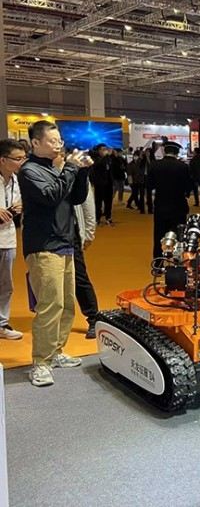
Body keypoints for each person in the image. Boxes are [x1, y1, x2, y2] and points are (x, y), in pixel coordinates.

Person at [19, 120, 92, 386]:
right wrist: (70, 168)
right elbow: (51, 196)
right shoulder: (29, 171)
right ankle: (41, 362)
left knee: (67, 304)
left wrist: (81, 172)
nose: (58, 144)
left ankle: (56, 351)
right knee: (50, 306)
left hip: (65, 242)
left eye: (59, 139)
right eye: (52, 141)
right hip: (44, 246)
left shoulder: (54, 168)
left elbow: (75, 198)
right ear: (35, 143)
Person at [148, 141, 191, 260]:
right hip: (178, 205)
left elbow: (149, 185)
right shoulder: (183, 166)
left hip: (161, 205)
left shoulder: (154, 165)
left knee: (159, 234)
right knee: (179, 234)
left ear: (164, 151)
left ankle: (158, 260)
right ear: (177, 152)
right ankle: (178, 259)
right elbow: (188, 186)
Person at [0, 140, 25, 341]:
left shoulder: (17, 180)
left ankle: (1, 323)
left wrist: (19, 207)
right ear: (3, 160)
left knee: (6, 285)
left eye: (23, 158)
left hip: (8, 238)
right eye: (17, 159)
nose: (22, 162)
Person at [73, 182, 99, 339]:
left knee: (79, 277)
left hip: (71, 233)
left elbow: (87, 204)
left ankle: (93, 318)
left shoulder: (77, 175)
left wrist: (89, 232)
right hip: (45, 235)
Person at [90, 143, 113, 226]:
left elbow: (110, 167)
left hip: (108, 183)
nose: (105, 151)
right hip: (99, 183)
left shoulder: (108, 158)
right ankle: (97, 218)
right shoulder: (96, 158)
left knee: (108, 201)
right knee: (98, 202)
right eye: (103, 149)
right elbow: (99, 164)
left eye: (105, 149)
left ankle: (108, 217)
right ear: (99, 150)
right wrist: (106, 156)